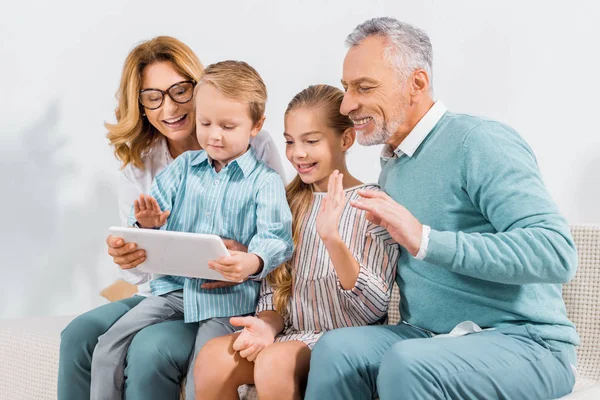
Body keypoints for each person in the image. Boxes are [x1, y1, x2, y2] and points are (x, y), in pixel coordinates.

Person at [304, 17, 579, 400]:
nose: (348, 104)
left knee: (408, 362)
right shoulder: (393, 167)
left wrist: (425, 240)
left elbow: (555, 253)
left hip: (526, 342)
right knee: (337, 349)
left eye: (364, 87)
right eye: (346, 87)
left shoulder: (477, 142)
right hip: (429, 336)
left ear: (416, 84)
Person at [58, 37, 285, 400]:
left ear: (198, 88)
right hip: (166, 291)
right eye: (153, 97)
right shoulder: (151, 167)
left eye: (180, 91)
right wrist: (134, 243)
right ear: (142, 106)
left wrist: (252, 258)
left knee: (153, 349)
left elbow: (277, 235)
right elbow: (136, 273)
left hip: (227, 296)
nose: (170, 106)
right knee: (78, 337)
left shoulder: (257, 155)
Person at [193, 84, 400, 400]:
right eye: (290, 141)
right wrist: (266, 325)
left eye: (311, 141)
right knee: (213, 356)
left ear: (345, 139)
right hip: (290, 335)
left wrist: (332, 239)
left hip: (342, 343)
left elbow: (374, 307)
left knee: (275, 361)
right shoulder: (286, 202)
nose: (297, 153)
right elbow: (274, 290)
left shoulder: (372, 204)